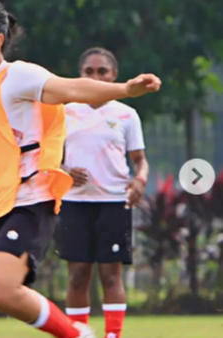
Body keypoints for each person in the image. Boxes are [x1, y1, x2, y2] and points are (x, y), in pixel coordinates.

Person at [0, 1, 161, 338]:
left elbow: (72, 88)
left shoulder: (17, 76)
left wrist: (125, 90)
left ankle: (79, 335)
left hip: (28, 205)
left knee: (0, 289)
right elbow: (1, 157)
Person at [59, 47, 149, 338]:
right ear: (80, 74)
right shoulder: (65, 110)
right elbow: (48, 157)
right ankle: (78, 333)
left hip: (113, 202)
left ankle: (113, 335)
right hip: (74, 202)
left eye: (102, 72)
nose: (95, 76)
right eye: (89, 72)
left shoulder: (126, 114)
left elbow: (140, 160)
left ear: (114, 75)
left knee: (111, 275)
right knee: (77, 276)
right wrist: (63, 170)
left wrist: (140, 181)